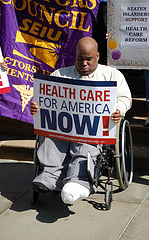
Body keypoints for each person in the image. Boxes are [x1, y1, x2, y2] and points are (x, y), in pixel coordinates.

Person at [30, 37, 132, 204]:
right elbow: (43, 101)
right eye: (80, 58)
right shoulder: (60, 75)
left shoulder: (112, 75)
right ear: (75, 56)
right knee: (50, 137)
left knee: (85, 141)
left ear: (97, 56)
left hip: (93, 129)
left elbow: (125, 98)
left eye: (89, 59)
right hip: (62, 127)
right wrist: (37, 108)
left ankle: (78, 180)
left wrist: (118, 110)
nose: (84, 63)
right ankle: (49, 176)